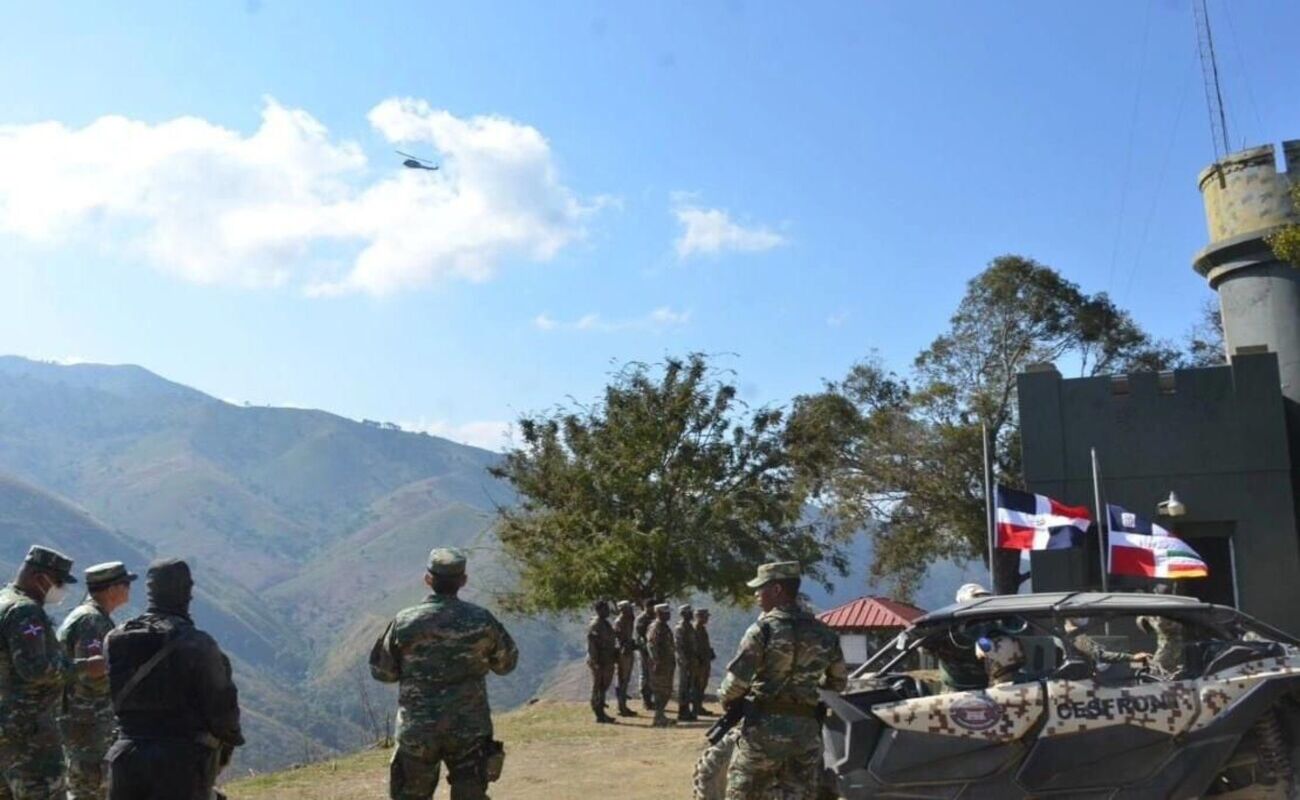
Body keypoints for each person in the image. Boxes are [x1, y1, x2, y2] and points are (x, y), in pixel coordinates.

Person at [371, 548, 518, 799]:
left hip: (417, 730)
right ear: (463, 581)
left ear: (428, 580)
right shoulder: (482, 620)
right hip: (470, 729)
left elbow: (383, 672)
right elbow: (506, 664)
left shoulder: (405, 621)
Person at [104, 558, 243, 800]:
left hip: (125, 757)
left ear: (150, 591)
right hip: (181, 762)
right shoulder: (198, 644)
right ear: (187, 592)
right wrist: (225, 746)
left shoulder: (114, 639)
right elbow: (223, 711)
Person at [719, 561, 847, 800]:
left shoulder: (762, 630)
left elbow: (735, 685)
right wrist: (805, 690)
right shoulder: (825, 633)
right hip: (806, 735)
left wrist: (726, 699)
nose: (757, 594)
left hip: (762, 734)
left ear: (777, 590)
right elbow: (838, 682)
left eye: (761, 588)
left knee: (743, 794)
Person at [0, 545, 85, 799]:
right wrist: (78, 667)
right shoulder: (25, 611)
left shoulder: (4, 601)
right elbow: (36, 669)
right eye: (58, 582)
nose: (61, 590)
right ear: (40, 578)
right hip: (30, 738)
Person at [57, 561, 137, 800]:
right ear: (111, 589)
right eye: (125, 584)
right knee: (91, 787)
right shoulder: (92, 622)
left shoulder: (93, 617)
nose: (128, 589)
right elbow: (91, 671)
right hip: (87, 720)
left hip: (87, 720)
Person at [930, 583, 991, 691]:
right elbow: (925, 647)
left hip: (983, 688)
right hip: (954, 689)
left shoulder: (991, 627)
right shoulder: (946, 629)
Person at [585, 600, 618, 724]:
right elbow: (592, 645)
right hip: (599, 661)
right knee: (597, 687)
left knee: (603, 687)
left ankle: (602, 712)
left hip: (607, 660)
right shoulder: (596, 625)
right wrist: (595, 662)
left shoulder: (605, 623)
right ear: (599, 610)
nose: (608, 611)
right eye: (605, 609)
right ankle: (598, 713)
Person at [646, 603, 676, 728]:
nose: (668, 615)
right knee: (660, 690)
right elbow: (652, 645)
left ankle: (661, 715)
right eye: (666, 612)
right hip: (660, 664)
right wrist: (656, 661)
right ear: (659, 613)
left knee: (666, 690)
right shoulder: (656, 627)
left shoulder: (664, 626)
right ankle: (658, 717)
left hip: (667, 663)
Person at [612, 601, 638, 717]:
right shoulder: (619, 622)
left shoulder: (628, 620)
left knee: (625, 679)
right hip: (623, 653)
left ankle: (623, 705)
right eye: (629, 609)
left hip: (628, 652)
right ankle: (621, 707)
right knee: (622, 679)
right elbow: (619, 639)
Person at [674, 605, 698, 722]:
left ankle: (686, 710)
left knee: (689, 686)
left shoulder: (689, 627)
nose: (691, 614)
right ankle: (682, 711)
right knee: (684, 686)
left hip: (691, 661)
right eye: (689, 613)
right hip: (685, 662)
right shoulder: (680, 628)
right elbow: (679, 647)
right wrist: (684, 661)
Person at [692, 608, 716, 717]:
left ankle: (698, 706)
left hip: (704, 661)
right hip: (699, 663)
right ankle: (695, 707)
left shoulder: (702, 629)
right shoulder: (695, 628)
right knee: (697, 684)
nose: (707, 619)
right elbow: (695, 647)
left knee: (702, 685)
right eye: (705, 616)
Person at [634, 599, 657, 711]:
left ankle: (650, 699)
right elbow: (639, 637)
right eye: (650, 607)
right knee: (644, 676)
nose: (652, 609)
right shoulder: (641, 619)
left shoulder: (655, 618)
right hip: (644, 652)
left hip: (653, 652)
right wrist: (646, 649)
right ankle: (645, 700)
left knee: (652, 676)